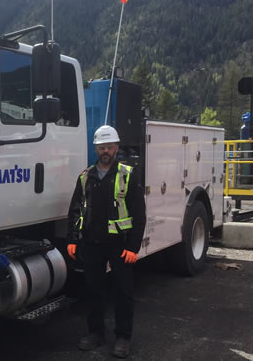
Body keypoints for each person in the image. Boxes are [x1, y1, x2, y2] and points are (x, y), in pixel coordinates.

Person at [66, 125, 146, 358]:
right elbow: (75, 211)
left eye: (110, 147)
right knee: (93, 290)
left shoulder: (127, 174)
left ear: (117, 148)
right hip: (92, 242)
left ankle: (123, 337)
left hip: (120, 244)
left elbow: (139, 214)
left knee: (123, 291)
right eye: (101, 147)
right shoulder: (85, 177)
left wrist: (133, 247)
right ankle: (95, 333)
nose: (105, 151)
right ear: (96, 149)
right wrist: (73, 239)